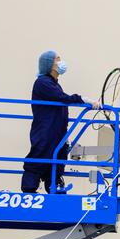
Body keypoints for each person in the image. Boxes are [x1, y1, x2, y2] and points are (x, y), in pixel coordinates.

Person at [21, 50, 99, 193]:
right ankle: (29, 188)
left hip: (56, 130)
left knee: (58, 157)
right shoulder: (42, 83)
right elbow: (62, 97)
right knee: (40, 155)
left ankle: (54, 185)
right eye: (57, 59)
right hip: (45, 130)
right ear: (49, 64)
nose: (61, 62)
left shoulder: (54, 83)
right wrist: (83, 99)